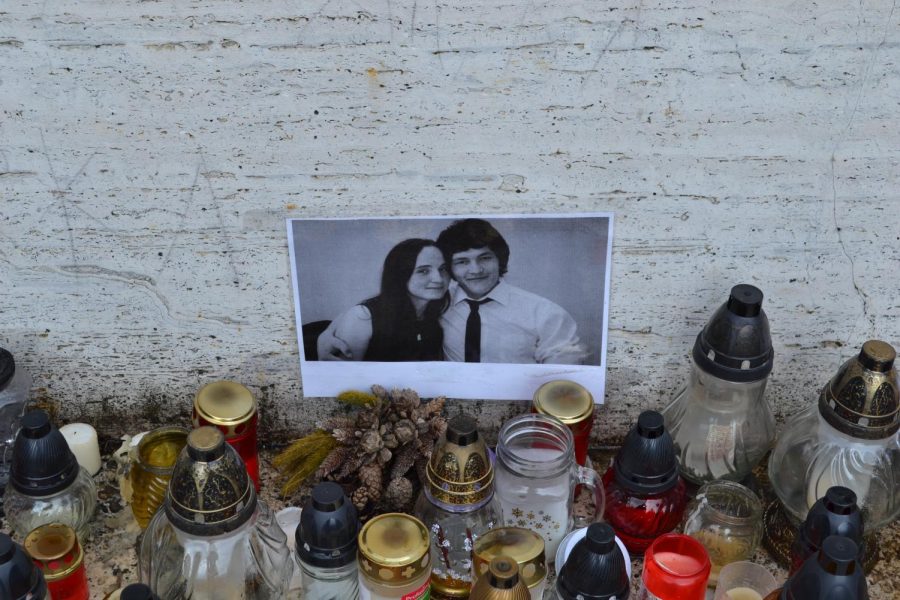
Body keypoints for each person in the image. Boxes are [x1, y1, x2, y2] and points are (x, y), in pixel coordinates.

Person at [435, 218, 586, 364]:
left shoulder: (546, 314)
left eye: (485, 258)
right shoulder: (437, 304)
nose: (476, 270)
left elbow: (561, 382)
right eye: (462, 261)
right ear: (449, 268)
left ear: (499, 259)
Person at [316, 238, 450, 361]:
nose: (438, 279)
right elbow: (343, 378)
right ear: (400, 274)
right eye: (423, 271)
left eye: (442, 269)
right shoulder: (363, 317)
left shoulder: (436, 314)